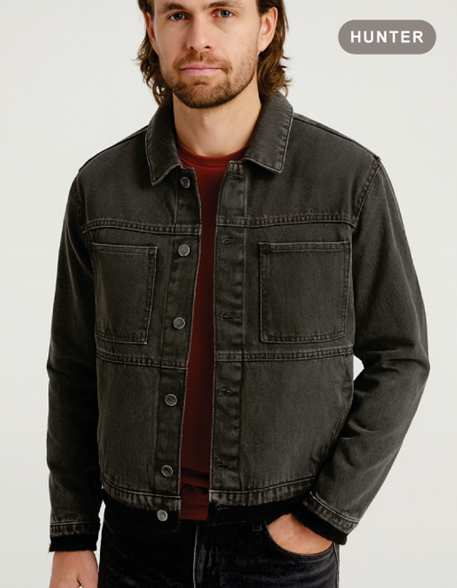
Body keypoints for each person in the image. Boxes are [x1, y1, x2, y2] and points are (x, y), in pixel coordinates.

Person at [47, 1, 430, 586]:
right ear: (152, 28)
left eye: (223, 11)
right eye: (178, 14)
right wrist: (73, 534)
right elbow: (74, 369)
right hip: (134, 548)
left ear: (266, 26)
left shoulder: (348, 180)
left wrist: (323, 517)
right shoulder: (100, 189)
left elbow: (401, 358)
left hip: (280, 553)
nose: (198, 37)